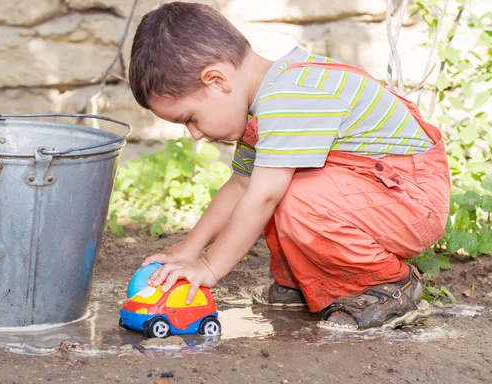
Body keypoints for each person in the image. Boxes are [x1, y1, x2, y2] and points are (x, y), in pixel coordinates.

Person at [127, 2, 450, 331]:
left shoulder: (288, 99)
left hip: (411, 200)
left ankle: (391, 285)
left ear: (216, 80)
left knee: (289, 195)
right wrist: (189, 249)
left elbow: (262, 198)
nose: (195, 133)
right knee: (273, 187)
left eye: (190, 119)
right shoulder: (265, 104)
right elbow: (240, 187)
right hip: (375, 195)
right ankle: (304, 280)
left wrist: (209, 268)